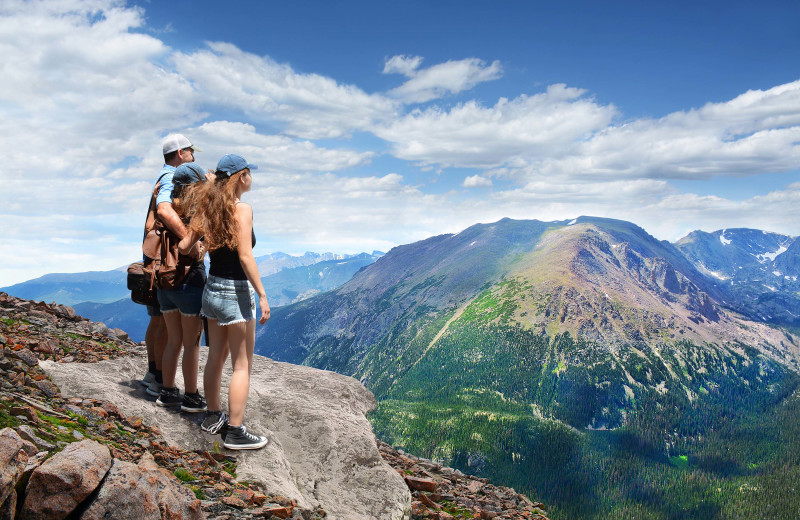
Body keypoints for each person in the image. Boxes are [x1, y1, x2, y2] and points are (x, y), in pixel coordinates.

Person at [179, 154, 270, 450]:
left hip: (212, 290)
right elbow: (245, 255)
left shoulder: (207, 207)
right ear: (241, 176)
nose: (251, 179)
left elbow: (184, 246)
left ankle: (212, 416)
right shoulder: (242, 209)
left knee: (215, 357)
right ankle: (235, 431)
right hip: (236, 293)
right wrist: (262, 294)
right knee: (242, 365)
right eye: (249, 174)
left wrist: (202, 243)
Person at [141, 134, 202, 397]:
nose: (193, 156)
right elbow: (165, 211)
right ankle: (160, 380)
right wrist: (189, 241)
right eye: (190, 151)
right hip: (171, 262)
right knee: (170, 326)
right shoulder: (171, 178)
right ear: (179, 153)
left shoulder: (161, 177)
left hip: (156, 258)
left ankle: (154, 374)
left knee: (159, 318)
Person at [155, 162, 210, 412]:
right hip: (190, 281)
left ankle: (167, 391)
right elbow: (199, 250)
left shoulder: (165, 210)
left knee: (173, 340)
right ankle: (191, 396)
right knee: (192, 343)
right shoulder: (194, 211)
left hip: (164, 281)